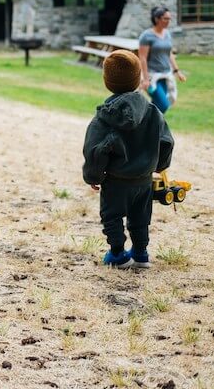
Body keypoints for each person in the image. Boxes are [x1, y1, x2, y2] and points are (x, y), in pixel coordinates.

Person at [83, 50, 173, 269]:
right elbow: (166, 141)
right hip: (143, 180)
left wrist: (93, 176)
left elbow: (95, 150)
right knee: (140, 217)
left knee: (111, 216)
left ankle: (118, 254)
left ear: (107, 81)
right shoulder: (153, 112)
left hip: (116, 180)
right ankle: (141, 253)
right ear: (137, 79)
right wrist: (159, 166)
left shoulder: (104, 117)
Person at [138, 6, 187, 113]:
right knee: (163, 105)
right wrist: (145, 79)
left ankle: (150, 127)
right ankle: (148, 124)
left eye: (169, 19)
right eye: (165, 18)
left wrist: (177, 71)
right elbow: (142, 58)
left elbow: (169, 53)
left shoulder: (167, 34)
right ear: (157, 19)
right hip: (152, 76)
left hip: (166, 75)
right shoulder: (146, 36)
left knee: (158, 106)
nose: (168, 21)